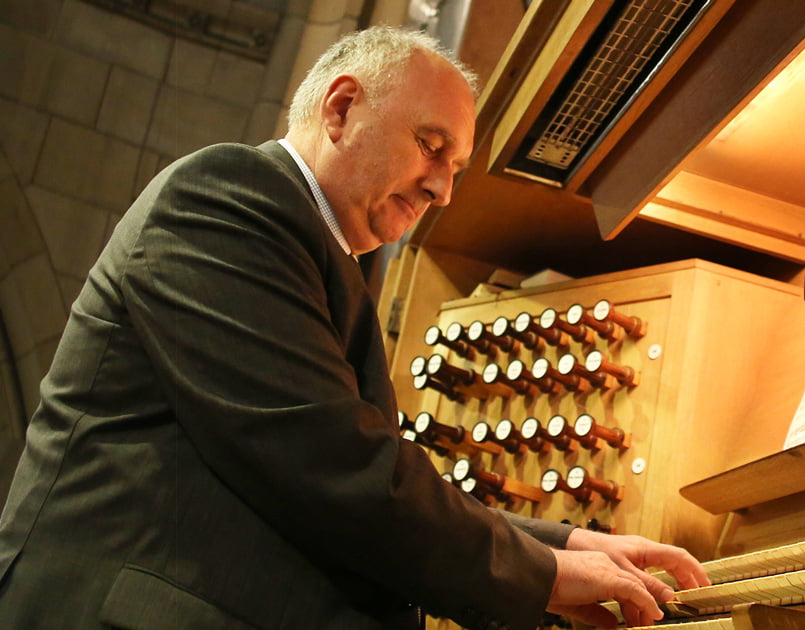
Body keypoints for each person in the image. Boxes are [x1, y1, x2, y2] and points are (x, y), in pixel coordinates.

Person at [0, 26, 708, 629]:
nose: (443, 190)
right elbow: (329, 458)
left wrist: (569, 542)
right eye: (432, 146)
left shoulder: (319, 255)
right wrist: (542, 574)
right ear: (340, 109)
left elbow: (354, 461)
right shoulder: (225, 200)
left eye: (456, 168)